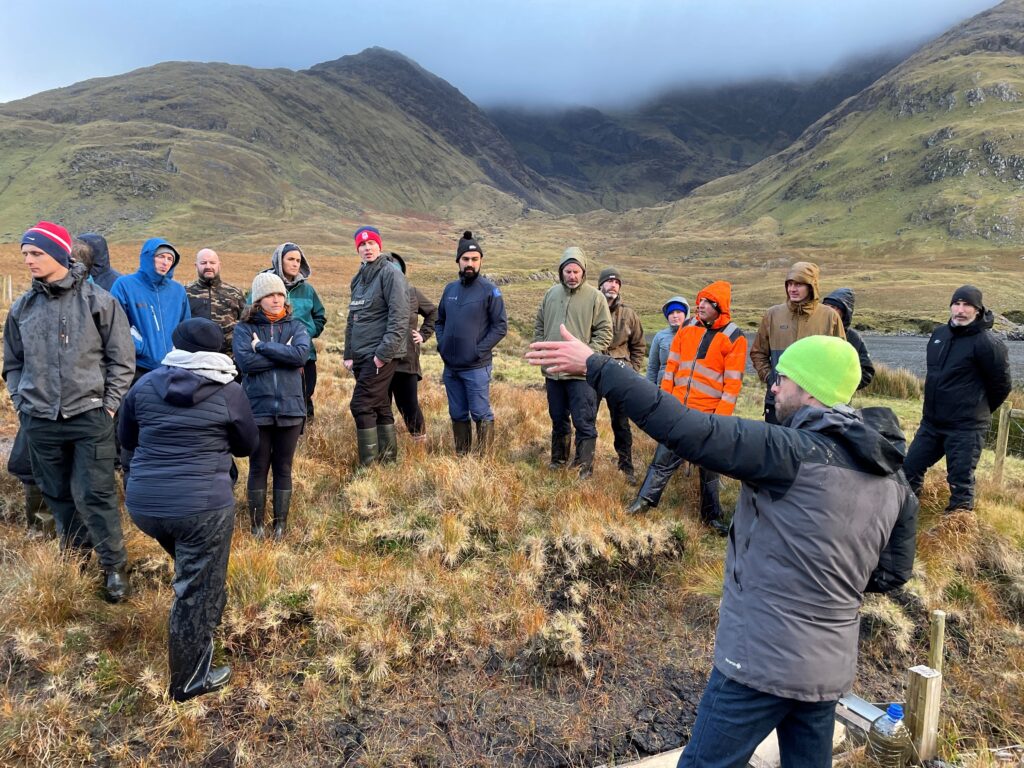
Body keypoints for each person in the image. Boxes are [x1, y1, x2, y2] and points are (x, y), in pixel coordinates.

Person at [526, 329, 917, 768]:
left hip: (761, 661)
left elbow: (685, 429)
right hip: (827, 670)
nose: (773, 387)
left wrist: (598, 366)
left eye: (782, 379)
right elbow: (891, 573)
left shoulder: (788, 452)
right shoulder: (895, 480)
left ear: (809, 390)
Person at [119, 318, 258, 702]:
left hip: (145, 504)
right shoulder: (229, 391)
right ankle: (189, 681)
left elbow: (126, 439)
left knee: (197, 572)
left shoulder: (144, 385)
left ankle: (206, 615)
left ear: (175, 345)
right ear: (217, 349)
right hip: (202, 507)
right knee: (195, 589)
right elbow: (247, 444)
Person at [3, 221, 135, 601]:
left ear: (60, 255)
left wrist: (108, 406)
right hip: (40, 420)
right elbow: (13, 362)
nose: (28, 260)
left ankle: (114, 567)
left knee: (96, 494)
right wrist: (21, 403)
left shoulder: (99, 301)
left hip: (90, 417)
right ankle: (75, 559)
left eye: (36, 253)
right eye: (25, 254)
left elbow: (122, 360)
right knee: (57, 493)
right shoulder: (22, 308)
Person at [628, 281, 746, 534]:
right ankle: (644, 501)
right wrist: (666, 402)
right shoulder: (687, 326)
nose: (699, 305)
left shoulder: (734, 337)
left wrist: (720, 420)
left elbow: (732, 384)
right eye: (699, 300)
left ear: (719, 307)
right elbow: (671, 367)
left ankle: (711, 517)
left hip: (709, 415)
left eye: (706, 302)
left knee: (710, 468)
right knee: (663, 457)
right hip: (678, 409)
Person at [903, 286, 1012, 513]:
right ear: (951, 306)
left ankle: (957, 534)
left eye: (967, 305)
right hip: (931, 423)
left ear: (978, 310)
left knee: (960, 482)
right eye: (957, 304)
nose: (961, 310)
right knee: (909, 469)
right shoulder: (939, 335)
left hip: (966, 428)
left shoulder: (988, 344)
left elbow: (1001, 386)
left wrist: (976, 410)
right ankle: (905, 516)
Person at [233, 273, 310, 539]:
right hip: (257, 409)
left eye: (280, 295)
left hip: (291, 409)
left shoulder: (297, 326)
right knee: (258, 466)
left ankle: (280, 526)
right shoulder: (243, 329)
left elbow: (301, 355)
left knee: (283, 467)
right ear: (258, 300)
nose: (276, 299)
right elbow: (245, 365)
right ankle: (256, 526)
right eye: (270, 295)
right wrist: (283, 356)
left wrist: (262, 346)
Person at [533, 247, 612, 478]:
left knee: (584, 421)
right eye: (568, 271)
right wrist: (542, 348)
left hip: (581, 373)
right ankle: (558, 460)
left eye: (576, 271)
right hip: (553, 371)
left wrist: (588, 354)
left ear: (583, 271)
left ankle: (583, 467)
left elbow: (605, 332)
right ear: (561, 271)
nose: (572, 275)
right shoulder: (551, 294)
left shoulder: (595, 297)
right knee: (557, 418)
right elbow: (539, 323)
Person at [435, 231, 508, 454]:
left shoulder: (490, 290)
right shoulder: (450, 290)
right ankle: (462, 455)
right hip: (452, 367)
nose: (470, 264)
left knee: (480, 413)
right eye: (465, 259)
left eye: (474, 260)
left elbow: (500, 326)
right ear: (458, 260)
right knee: (457, 413)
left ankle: (486, 460)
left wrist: (478, 350)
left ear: (480, 262)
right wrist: (442, 345)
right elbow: (439, 321)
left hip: (476, 366)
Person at [343, 226, 410, 466]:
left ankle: (368, 467)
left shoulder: (391, 273)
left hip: (379, 355)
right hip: (360, 356)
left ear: (379, 246)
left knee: (360, 404)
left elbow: (400, 316)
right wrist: (348, 352)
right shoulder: (358, 278)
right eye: (362, 245)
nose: (367, 248)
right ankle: (388, 462)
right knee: (380, 405)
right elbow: (353, 318)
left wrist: (383, 354)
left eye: (371, 243)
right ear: (357, 250)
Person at [749, 261, 845, 424]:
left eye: (799, 284)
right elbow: (758, 353)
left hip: (815, 405)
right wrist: (771, 378)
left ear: (811, 286)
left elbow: (840, 359)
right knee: (775, 448)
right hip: (778, 402)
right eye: (790, 284)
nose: (792, 289)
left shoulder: (830, 317)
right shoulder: (772, 315)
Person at [110, 238, 191, 380]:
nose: (165, 262)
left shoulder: (178, 291)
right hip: (137, 366)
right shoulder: (124, 285)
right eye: (160, 256)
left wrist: (178, 350)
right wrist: (139, 346)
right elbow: (115, 324)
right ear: (148, 257)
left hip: (172, 367)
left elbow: (186, 325)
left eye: (170, 259)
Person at [261, 243, 326, 419]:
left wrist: (305, 334)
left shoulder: (308, 289)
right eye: (290, 259)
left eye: (298, 260)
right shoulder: (263, 285)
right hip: (272, 352)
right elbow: (250, 314)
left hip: (304, 354)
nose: (295, 263)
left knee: (305, 392)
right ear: (279, 261)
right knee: (277, 395)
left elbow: (320, 317)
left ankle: (307, 434)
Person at [596, 267, 646, 483]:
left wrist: (633, 370)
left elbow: (639, 346)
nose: (613, 285)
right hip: (594, 370)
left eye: (617, 282)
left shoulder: (629, 314)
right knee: (585, 417)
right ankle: (584, 464)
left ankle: (626, 467)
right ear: (600, 285)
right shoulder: (591, 308)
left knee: (621, 423)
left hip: (620, 374)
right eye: (609, 281)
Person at [387, 252, 437, 441]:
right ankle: (386, 449)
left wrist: (423, 335)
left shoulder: (412, 293)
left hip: (406, 360)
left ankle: (419, 449)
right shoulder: (376, 295)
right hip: (380, 359)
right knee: (380, 405)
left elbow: (433, 312)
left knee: (408, 404)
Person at [186, 248, 246, 357]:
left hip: (230, 359)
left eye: (212, 262)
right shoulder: (185, 293)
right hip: (195, 359)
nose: (208, 266)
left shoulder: (235, 293)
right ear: (196, 266)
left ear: (219, 265)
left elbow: (246, 324)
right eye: (203, 263)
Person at [823, 288, 875, 390]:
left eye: (833, 307)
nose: (828, 310)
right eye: (825, 306)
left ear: (844, 312)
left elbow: (866, 372)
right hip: (808, 399)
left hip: (838, 401)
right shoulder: (812, 331)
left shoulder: (853, 338)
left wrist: (842, 387)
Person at [647, 296, 690, 386]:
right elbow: (652, 367)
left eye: (678, 312)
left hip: (686, 388)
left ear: (686, 314)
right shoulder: (660, 336)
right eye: (671, 313)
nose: (675, 316)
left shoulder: (695, 335)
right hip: (663, 387)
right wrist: (650, 389)